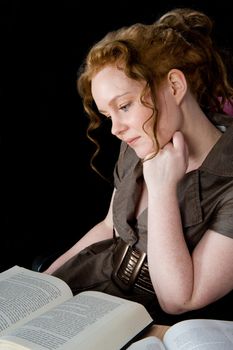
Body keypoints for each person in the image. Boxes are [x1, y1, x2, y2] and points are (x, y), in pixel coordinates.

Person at [44, 8, 233, 325]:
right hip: (89, 284)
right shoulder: (140, 139)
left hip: (144, 321)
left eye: (124, 106)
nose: (116, 128)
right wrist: (46, 283)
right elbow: (109, 226)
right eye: (109, 116)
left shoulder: (227, 184)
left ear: (174, 86)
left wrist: (161, 190)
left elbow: (179, 299)